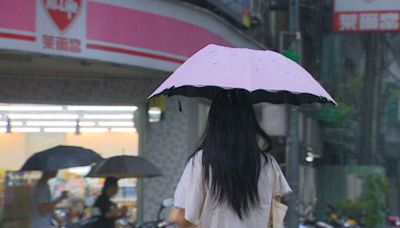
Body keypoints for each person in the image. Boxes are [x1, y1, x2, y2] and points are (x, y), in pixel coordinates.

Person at [169, 90, 292, 228]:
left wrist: (175, 215)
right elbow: (275, 218)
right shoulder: (268, 164)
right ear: (250, 122)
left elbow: (184, 218)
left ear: (214, 122)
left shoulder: (201, 162)